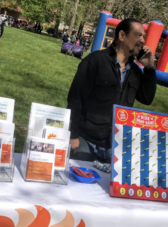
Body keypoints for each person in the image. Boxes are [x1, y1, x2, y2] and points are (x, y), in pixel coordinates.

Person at [67, 18, 156, 163]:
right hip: (86, 140)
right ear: (122, 36)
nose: (142, 40)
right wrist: (73, 135)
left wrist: (150, 68)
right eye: (138, 35)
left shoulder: (135, 71)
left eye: (143, 36)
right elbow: (75, 100)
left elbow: (147, 98)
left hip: (116, 146)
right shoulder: (95, 61)